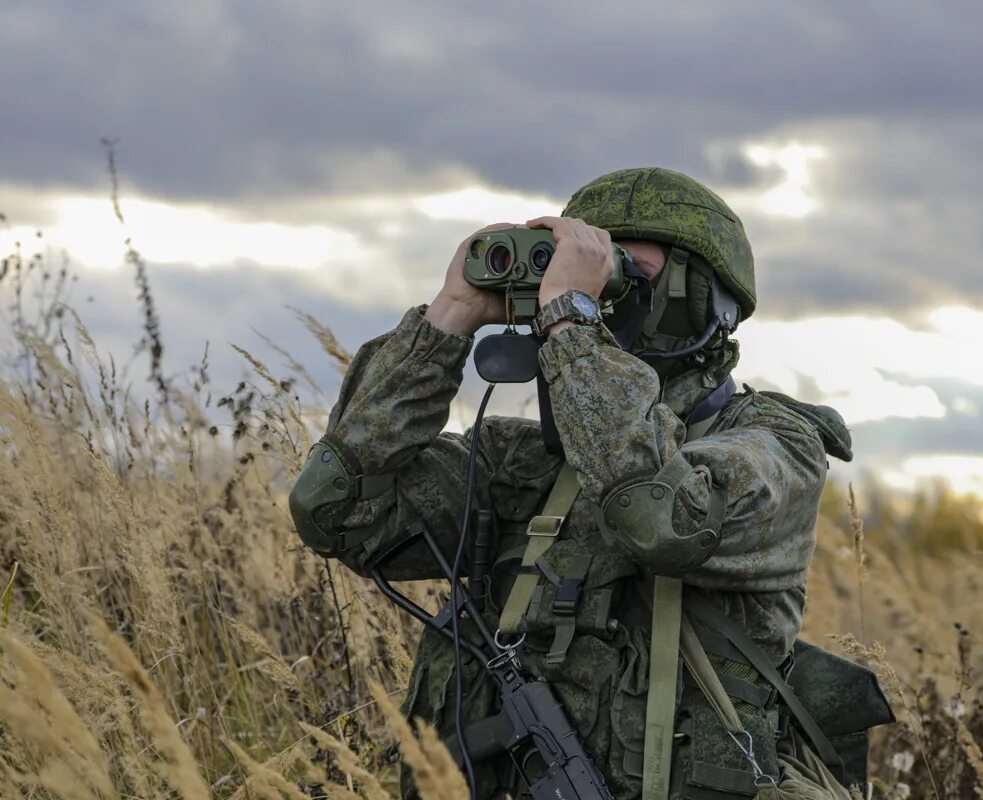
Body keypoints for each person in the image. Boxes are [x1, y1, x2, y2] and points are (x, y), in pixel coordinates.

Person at [289, 168, 868, 800]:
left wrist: (569, 323)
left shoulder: (775, 445)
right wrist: (448, 319)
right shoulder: (524, 461)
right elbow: (335, 508)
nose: (590, 290)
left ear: (704, 301)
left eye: (622, 273)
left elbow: (660, 515)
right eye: (572, 268)